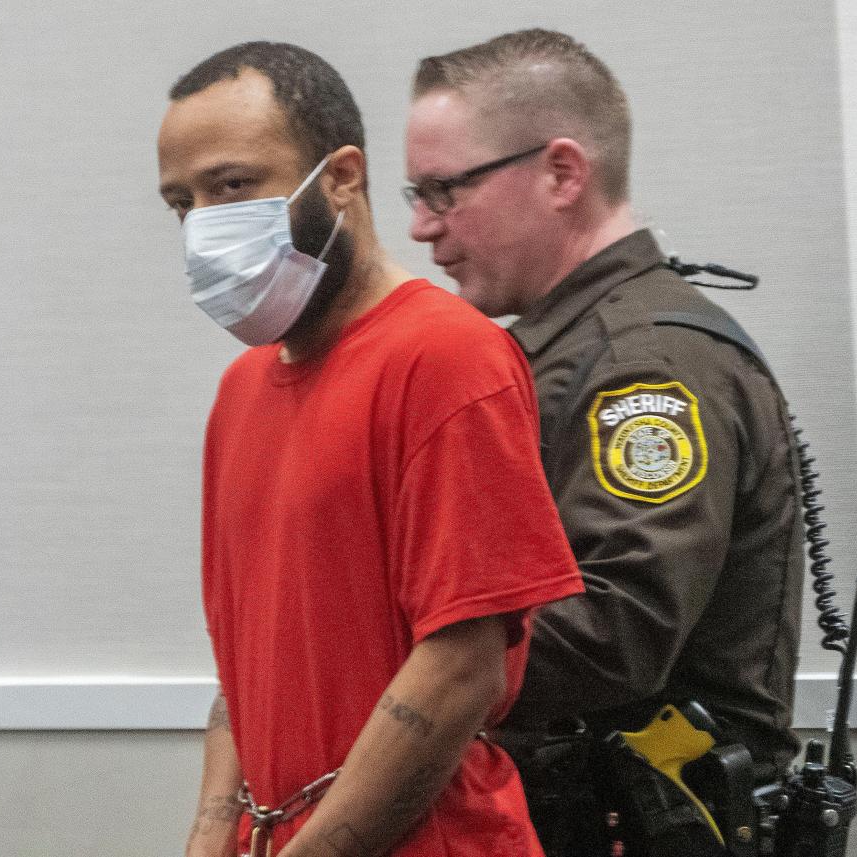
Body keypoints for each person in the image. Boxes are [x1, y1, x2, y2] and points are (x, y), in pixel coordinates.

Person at [157, 41, 584, 857]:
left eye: (233, 185)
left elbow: (462, 667)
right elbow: (250, 669)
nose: (204, 223)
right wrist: (213, 834)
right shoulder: (240, 391)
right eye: (183, 201)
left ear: (342, 176)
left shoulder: (449, 357)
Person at [404, 29, 806, 855]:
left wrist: (398, 658)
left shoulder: (643, 369)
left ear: (561, 173)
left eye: (444, 190)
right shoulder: (570, 350)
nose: (420, 227)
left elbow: (614, 627)